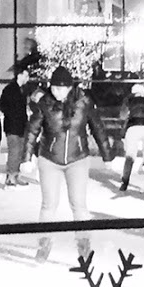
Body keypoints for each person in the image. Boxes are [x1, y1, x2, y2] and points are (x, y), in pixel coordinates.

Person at [28, 67, 110, 261]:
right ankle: (44, 244)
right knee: (49, 205)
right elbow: (32, 130)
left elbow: (97, 127)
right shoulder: (44, 104)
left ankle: (83, 246)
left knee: (79, 205)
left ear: (70, 88)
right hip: (49, 158)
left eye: (62, 88)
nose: (58, 92)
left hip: (77, 159)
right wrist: (26, 158)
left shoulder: (84, 102)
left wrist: (107, 155)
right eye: (55, 88)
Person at [118, 82, 144, 194]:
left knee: (130, 155)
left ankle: (125, 182)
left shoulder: (128, 101)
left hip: (133, 127)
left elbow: (123, 115)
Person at [0, 69, 33, 184]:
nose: (27, 78)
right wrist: (12, 115)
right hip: (12, 125)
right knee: (14, 151)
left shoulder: (22, 90)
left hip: (21, 125)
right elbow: (2, 105)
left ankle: (16, 175)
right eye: (26, 75)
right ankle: (11, 176)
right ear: (20, 75)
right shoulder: (10, 89)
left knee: (19, 151)